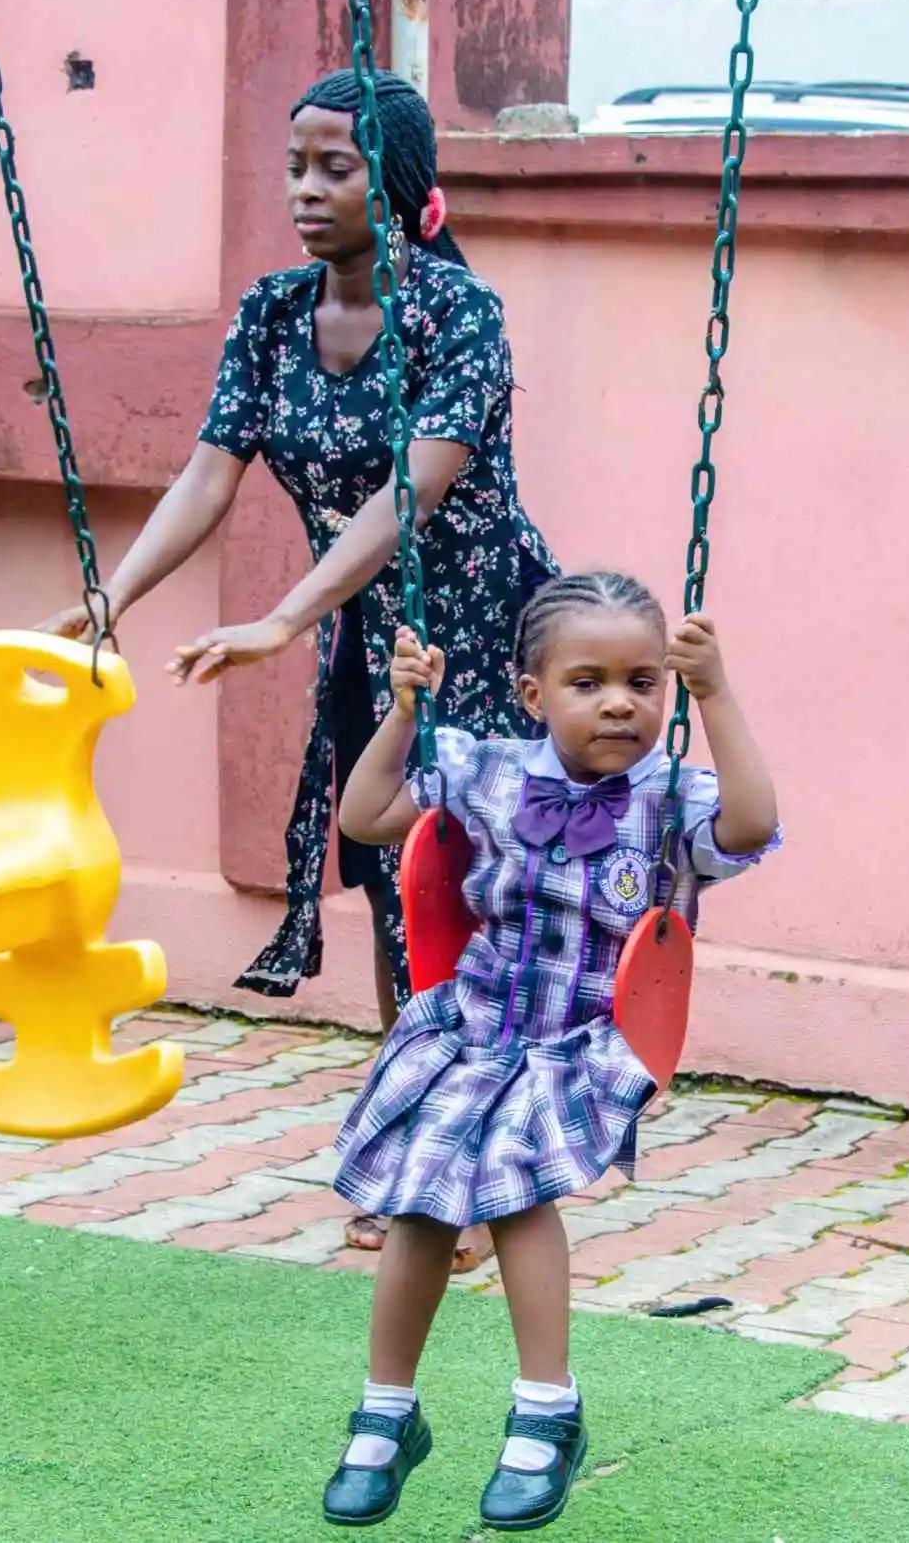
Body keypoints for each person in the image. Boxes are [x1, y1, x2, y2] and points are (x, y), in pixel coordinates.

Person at [40, 69, 554, 1267]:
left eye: (338, 167)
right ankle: (421, 1144)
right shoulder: (272, 313)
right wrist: (112, 596)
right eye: (297, 165)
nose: (307, 191)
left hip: (481, 629)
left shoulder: (458, 316)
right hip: (367, 638)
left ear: (401, 183)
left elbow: (407, 496)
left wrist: (279, 617)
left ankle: (474, 1169)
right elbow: (210, 474)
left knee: (468, 886)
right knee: (391, 887)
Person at [318, 573, 778, 1531]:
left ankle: (545, 1409)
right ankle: (386, 1410)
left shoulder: (667, 797)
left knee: (515, 1194)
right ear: (534, 694)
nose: (620, 700)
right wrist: (402, 712)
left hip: (581, 1040)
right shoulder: (486, 769)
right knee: (419, 1203)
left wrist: (717, 695)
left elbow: (751, 825)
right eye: (589, 681)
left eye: (644, 681)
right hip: (475, 1025)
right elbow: (365, 817)